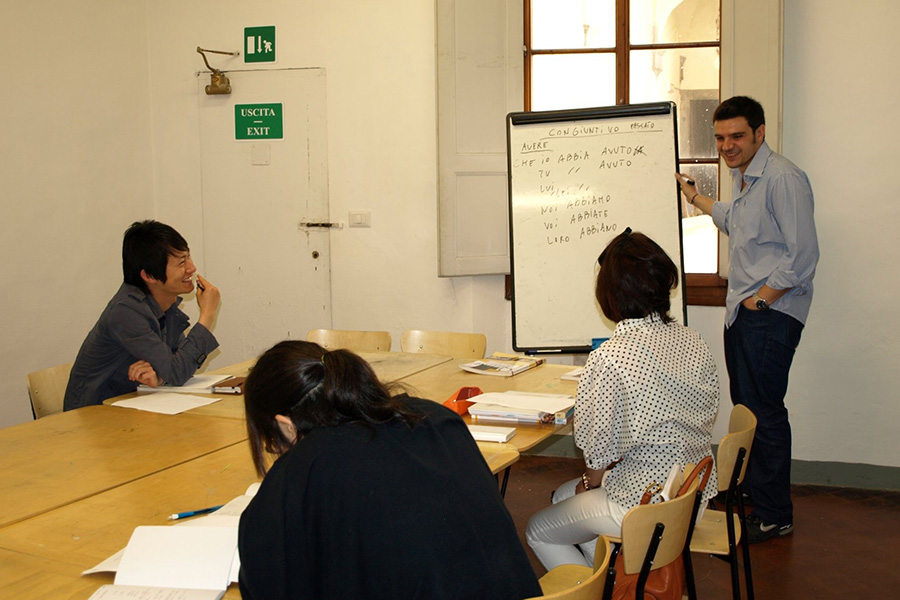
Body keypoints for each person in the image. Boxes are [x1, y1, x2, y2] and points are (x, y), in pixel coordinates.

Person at [237, 340, 542, 600]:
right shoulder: (433, 417)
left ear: (285, 425)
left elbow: (266, 584)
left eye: (272, 443)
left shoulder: (301, 470)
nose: (276, 452)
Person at [526, 230, 719, 570]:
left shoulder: (611, 356)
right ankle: (617, 576)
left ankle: (602, 585)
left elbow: (598, 455)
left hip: (639, 504)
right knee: (562, 496)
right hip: (689, 496)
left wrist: (589, 485)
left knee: (538, 529)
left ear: (610, 293)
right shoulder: (694, 341)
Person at [675, 95, 819, 543]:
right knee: (750, 410)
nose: (727, 145)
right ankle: (756, 495)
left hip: (767, 315)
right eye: (719, 138)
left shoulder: (783, 178)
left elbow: (802, 256)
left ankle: (775, 514)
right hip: (746, 313)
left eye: (736, 136)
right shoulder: (746, 179)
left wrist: (761, 301)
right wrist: (694, 196)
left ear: (759, 133)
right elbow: (736, 222)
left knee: (766, 414)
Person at [63, 220, 220, 410]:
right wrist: (207, 315)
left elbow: (175, 364)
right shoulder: (126, 312)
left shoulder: (165, 304)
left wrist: (160, 377)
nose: (191, 268)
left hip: (133, 407)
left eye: (188, 257)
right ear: (149, 276)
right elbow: (177, 371)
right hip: (93, 418)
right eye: (181, 262)